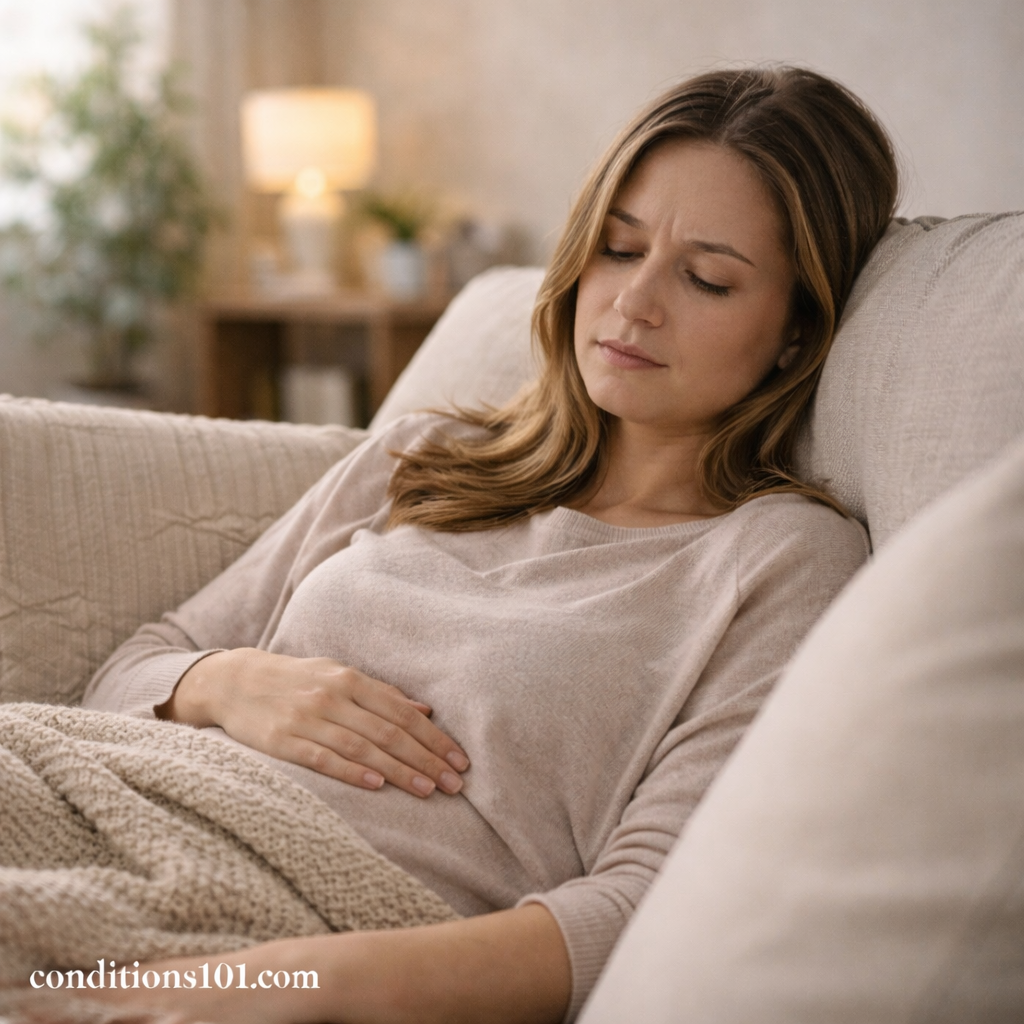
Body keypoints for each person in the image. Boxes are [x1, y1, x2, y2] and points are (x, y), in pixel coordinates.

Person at [81, 64, 898, 1024]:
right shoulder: (429, 455)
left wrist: (302, 981)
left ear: (798, 333)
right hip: (104, 796)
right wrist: (234, 683)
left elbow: (653, 912)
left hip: (267, 928)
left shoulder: (780, 562)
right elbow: (127, 672)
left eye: (707, 278)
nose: (633, 305)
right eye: (617, 249)